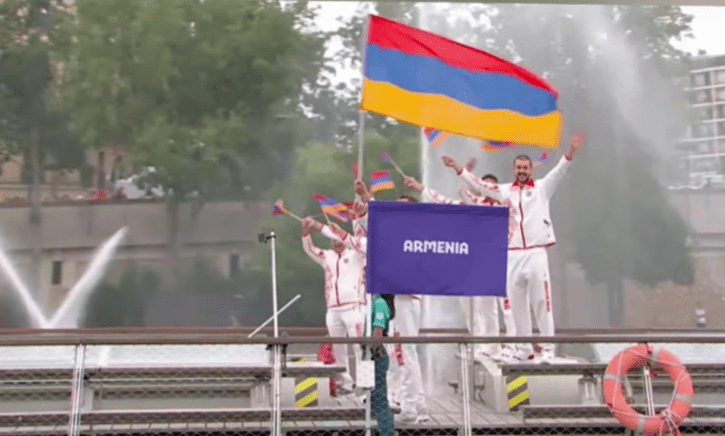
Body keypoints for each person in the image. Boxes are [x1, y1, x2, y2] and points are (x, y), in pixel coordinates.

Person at [442, 132, 585, 361]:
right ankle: (524, 348)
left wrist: (570, 152)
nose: (521, 171)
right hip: (513, 254)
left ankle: (547, 350)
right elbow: (478, 185)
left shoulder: (541, 188)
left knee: (541, 302)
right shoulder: (504, 191)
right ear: (513, 169)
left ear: (530, 169)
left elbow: (559, 171)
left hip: (537, 252)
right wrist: (458, 168)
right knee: (517, 305)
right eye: (518, 167)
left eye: (525, 167)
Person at [403, 174, 516, 363]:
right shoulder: (472, 208)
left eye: (492, 186)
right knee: (483, 308)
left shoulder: (507, 205)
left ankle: (515, 345)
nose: (489, 190)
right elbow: (442, 200)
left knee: (508, 307)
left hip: (508, 259)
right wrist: (420, 188)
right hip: (481, 263)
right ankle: (489, 346)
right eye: (485, 185)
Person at [300, 217, 364, 394]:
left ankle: (367, 384)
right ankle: (345, 383)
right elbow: (310, 249)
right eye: (333, 241)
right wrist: (306, 233)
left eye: (339, 240)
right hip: (333, 309)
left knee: (361, 347)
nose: (336, 244)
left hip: (352, 308)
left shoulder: (355, 255)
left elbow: (359, 242)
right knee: (338, 349)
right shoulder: (326, 257)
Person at [370, 293, 396, 436]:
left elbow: (378, 331)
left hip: (376, 355)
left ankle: (387, 432)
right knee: (375, 398)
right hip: (373, 355)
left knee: (380, 400)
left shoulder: (379, 303)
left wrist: (374, 348)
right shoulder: (375, 302)